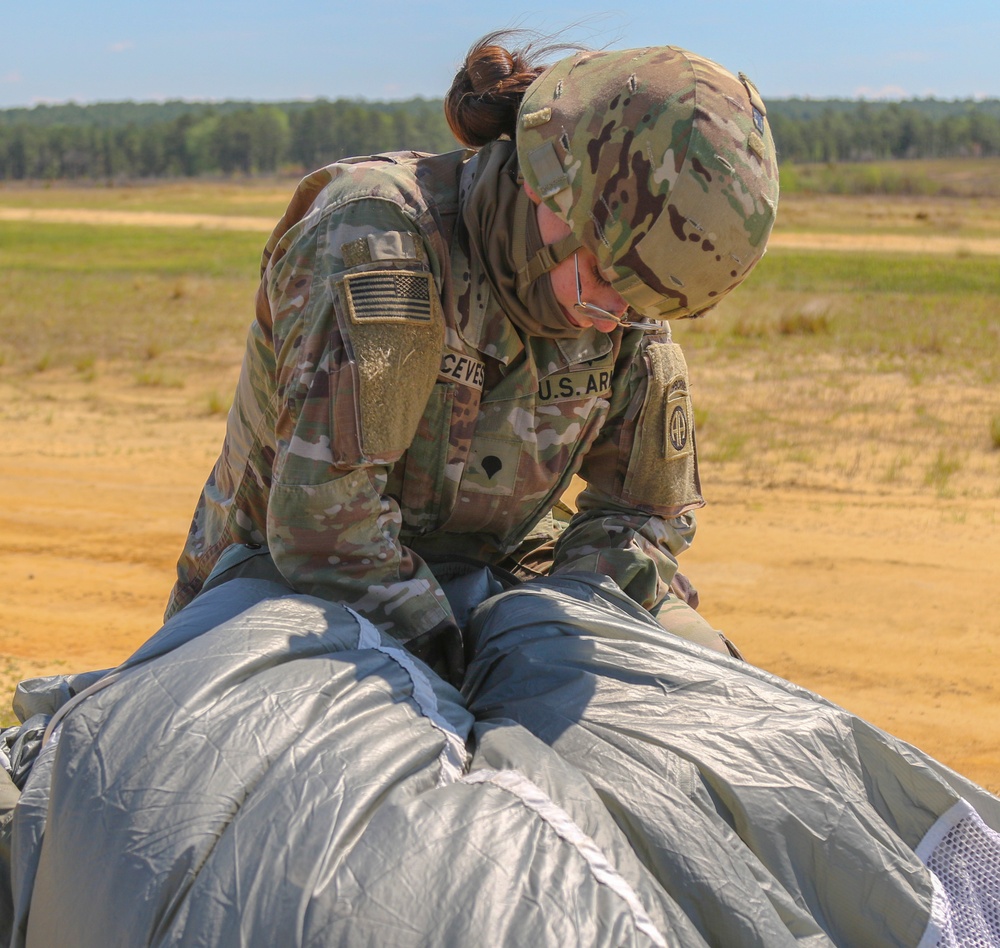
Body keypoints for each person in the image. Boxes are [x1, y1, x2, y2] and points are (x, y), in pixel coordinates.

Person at [165, 32, 779, 679]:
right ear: (547, 183)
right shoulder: (383, 236)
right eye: (605, 277)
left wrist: (569, 620)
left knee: (702, 677)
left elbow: (642, 511)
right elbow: (324, 526)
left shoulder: (625, 290)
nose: (615, 315)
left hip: (497, 581)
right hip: (291, 580)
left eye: (644, 301)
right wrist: (457, 659)